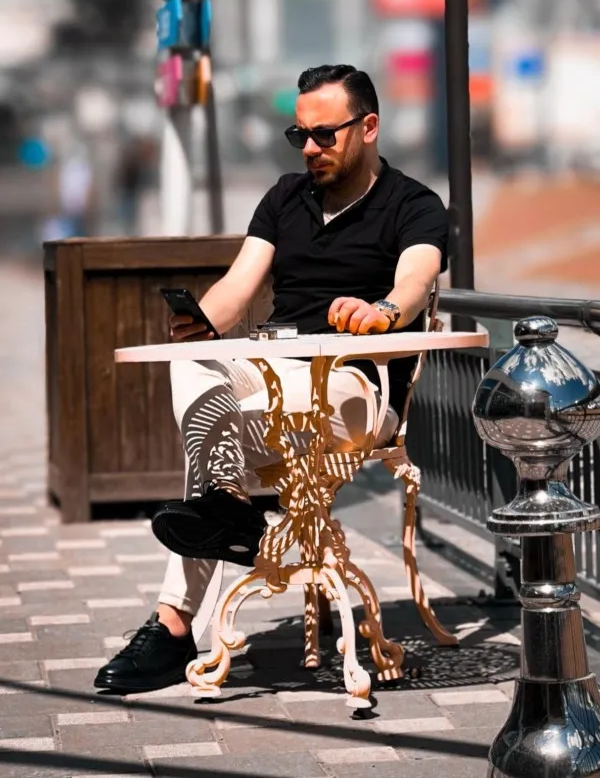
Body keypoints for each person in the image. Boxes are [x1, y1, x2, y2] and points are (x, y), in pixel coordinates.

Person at [94, 64, 449, 694]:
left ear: (368, 127)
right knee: (193, 362)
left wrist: (382, 312)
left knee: (214, 452)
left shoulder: (414, 204)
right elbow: (237, 286)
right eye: (299, 135)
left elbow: (416, 280)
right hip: (275, 370)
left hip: (356, 384)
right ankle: (229, 509)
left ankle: (176, 621)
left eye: (324, 135)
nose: (309, 148)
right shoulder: (285, 197)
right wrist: (202, 321)